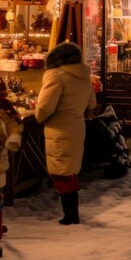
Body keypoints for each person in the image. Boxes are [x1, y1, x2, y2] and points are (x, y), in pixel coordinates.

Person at [35, 42, 97, 225]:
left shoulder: (55, 75)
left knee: (61, 171)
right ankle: (71, 213)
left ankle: (70, 215)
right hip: (77, 127)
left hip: (59, 129)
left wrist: (39, 115)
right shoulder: (84, 76)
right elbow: (91, 104)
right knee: (69, 171)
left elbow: (45, 107)